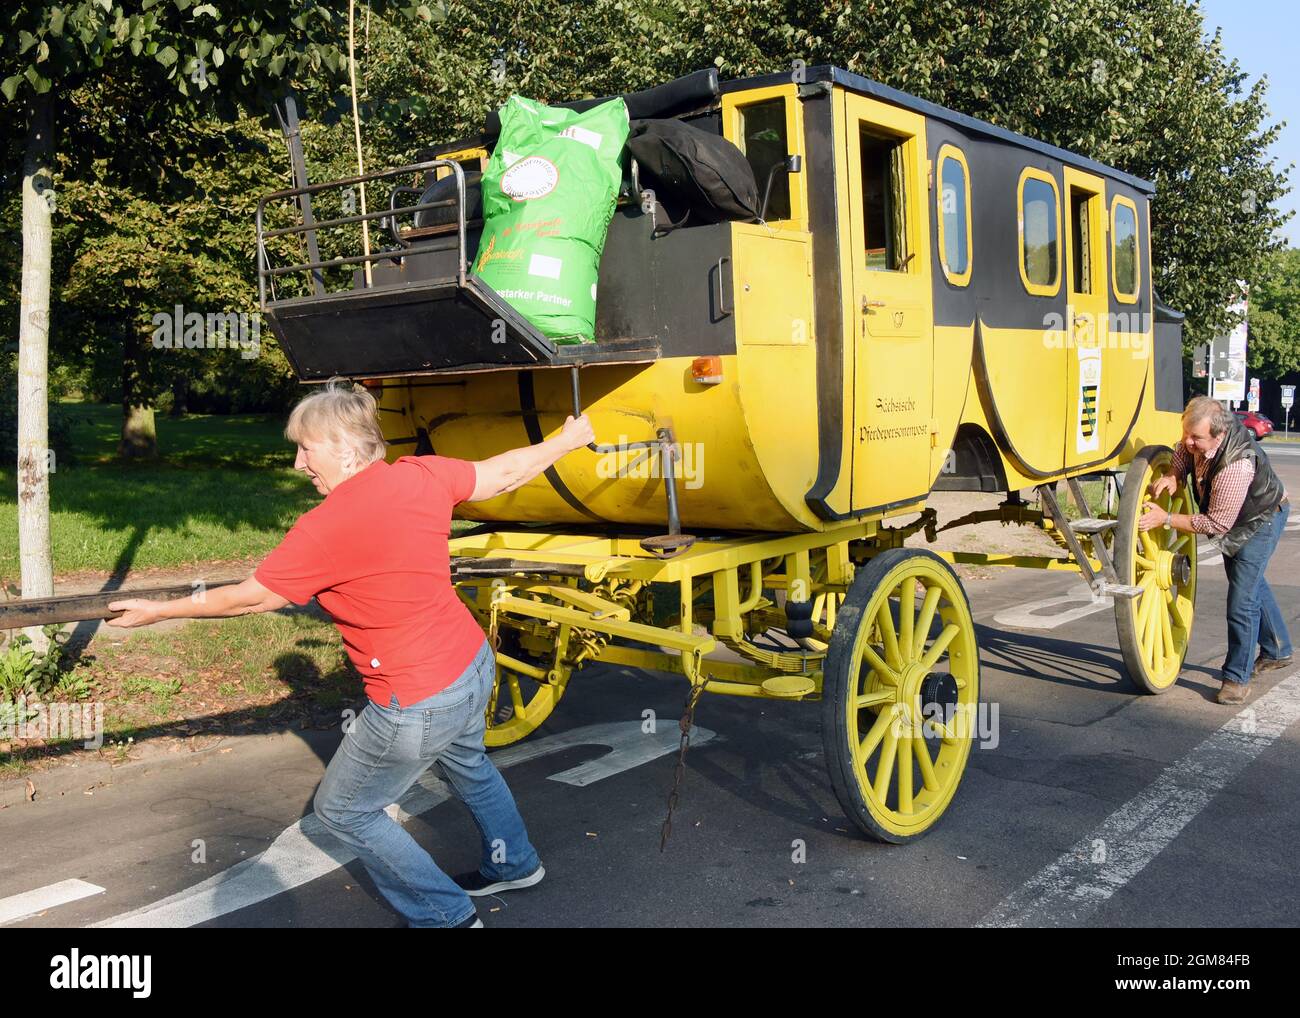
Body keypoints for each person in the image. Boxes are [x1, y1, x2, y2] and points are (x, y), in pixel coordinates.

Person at [107, 381, 596, 927]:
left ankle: (446, 916)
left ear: (342, 446)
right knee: (468, 761)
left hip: (417, 697)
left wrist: (158, 610)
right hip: (471, 662)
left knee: (344, 810)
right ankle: (517, 863)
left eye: (305, 449)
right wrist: (567, 439)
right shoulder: (420, 473)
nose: (297, 464)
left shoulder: (326, 527)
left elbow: (250, 599)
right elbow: (503, 473)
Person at [1141, 395, 1291, 704]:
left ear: (1219, 435)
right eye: (1187, 432)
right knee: (1251, 584)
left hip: (1260, 520)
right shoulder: (1199, 438)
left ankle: (1236, 679)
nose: (1188, 441)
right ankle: (1278, 650)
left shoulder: (1236, 466)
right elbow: (1182, 450)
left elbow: (1216, 524)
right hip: (1234, 517)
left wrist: (1166, 518)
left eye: (1196, 437)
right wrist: (1174, 474)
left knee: (1241, 600)